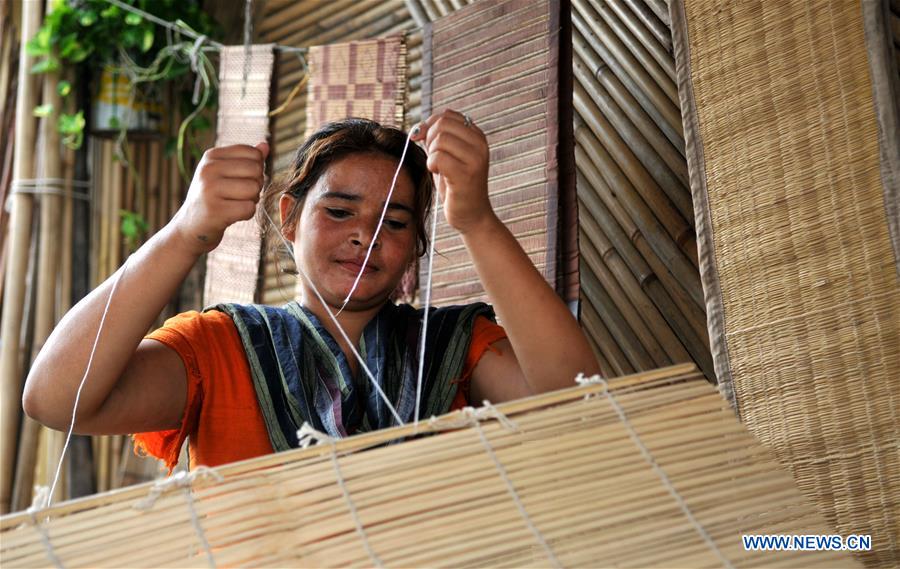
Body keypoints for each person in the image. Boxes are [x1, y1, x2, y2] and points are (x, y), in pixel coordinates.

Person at [24, 111, 600, 472]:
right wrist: (183, 234)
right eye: (340, 210)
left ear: (417, 244)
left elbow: (579, 402)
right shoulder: (220, 348)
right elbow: (55, 399)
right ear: (290, 217)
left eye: (395, 222)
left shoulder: (452, 347)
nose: (365, 235)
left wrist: (476, 219)